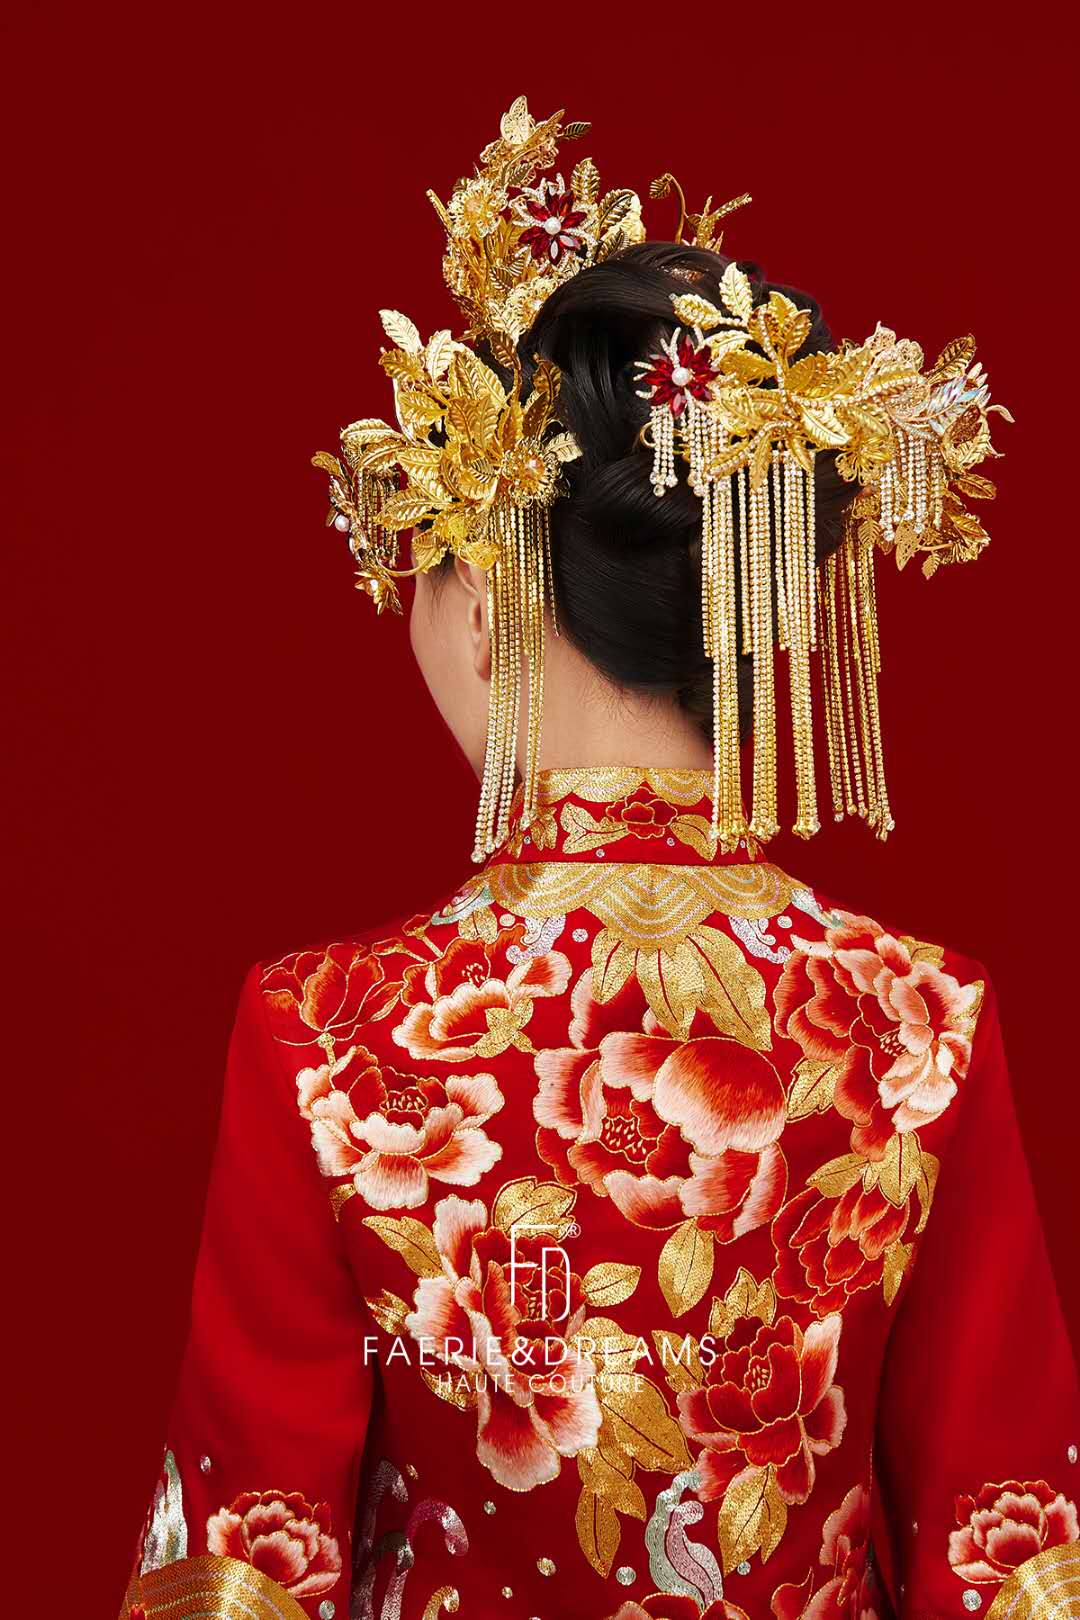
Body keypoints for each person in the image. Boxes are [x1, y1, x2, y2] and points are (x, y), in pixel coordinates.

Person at [119, 101, 1079, 1620]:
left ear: (487, 604)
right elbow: (1012, 1558)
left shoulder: (333, 1038)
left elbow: (251, 1565)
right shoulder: (916, 1027)